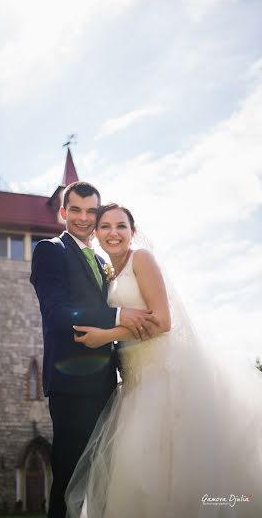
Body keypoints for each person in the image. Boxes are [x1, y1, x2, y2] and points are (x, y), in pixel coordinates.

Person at [66, 203, 262, 517]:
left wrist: (105, 335)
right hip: (132, 382)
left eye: (121, 226)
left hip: (161, 376)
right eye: (105, 226)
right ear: (96, 232)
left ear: (133, 231)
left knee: (163, 473)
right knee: (133, 473)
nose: (113, 233)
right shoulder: (109, 275)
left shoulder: (141, 259)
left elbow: (163, 321)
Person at [30, 183, 160, 518]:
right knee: (71, 476)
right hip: (71, 386)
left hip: (109, 384)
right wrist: (119, 315)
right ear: (63, 212)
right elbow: (57, 314)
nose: (84, 218)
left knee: (104, 481)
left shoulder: (103, 260)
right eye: (76, 210)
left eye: (91, 211)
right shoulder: (50, 250)